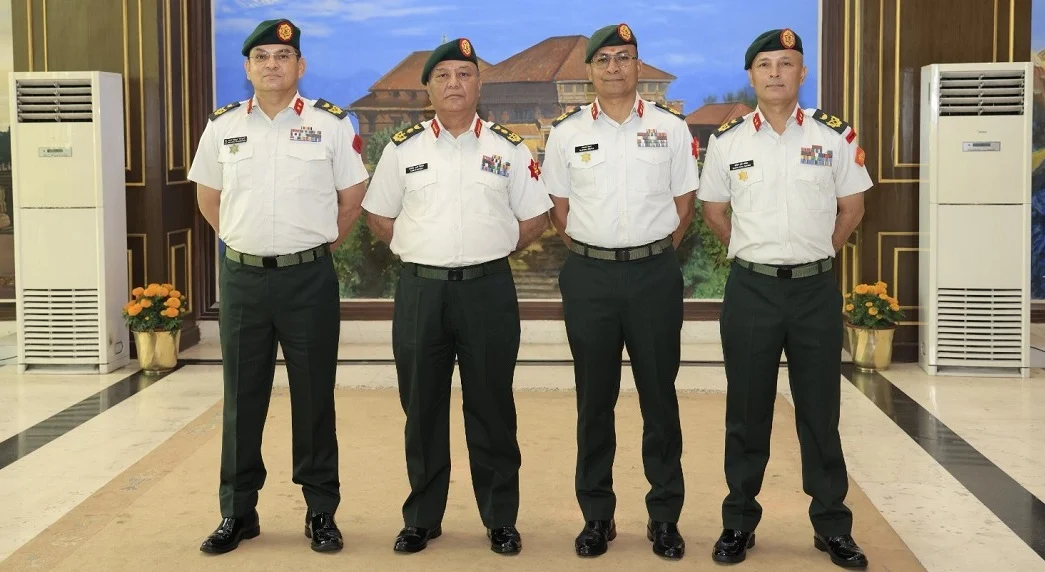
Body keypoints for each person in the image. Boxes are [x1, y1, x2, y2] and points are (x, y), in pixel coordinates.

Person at [361, 38, 552, 556]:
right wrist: (418, 248)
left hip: (488, 291)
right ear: (428, 88)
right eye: (442, 75)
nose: (453, 84)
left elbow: (536, 216)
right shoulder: (403, 149)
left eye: (464, 74)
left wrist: (493, 247)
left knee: (492, 407)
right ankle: (422, 518)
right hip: (421, 292)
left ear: (479, 84)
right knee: (421, 407)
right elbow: (378, 214)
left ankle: (500, 518)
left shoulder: (508, 148)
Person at [187, 18, 368, 554]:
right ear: (248, 68)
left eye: (283, 56)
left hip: (308, 279)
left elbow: (352, 196)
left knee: (314, 397)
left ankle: (321, 511)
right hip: (243, 279)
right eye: (262, 57)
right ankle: (238, 512)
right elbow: (209, 198)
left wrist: (315, 246)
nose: (272, 64)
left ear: (300, 66)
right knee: (242, 398)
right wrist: (244, 241)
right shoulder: (222, 126)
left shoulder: (330, 124)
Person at [697, 28, 870, 568]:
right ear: (751, 76)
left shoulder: (833, 136)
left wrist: (817, 253)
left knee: (820, 411)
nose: (775, 73)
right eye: (765, 65)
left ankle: (832, 525)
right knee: (747, 411)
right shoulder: (728, 141)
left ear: (802, 73)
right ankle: (738, 522)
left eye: (786, 63)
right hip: (752, 290)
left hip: (815, 291)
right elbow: (714, 212)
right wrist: (756, 254)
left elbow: (853, 208)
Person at [542, 23, 698, 560]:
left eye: (624, 57)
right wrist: (598, 252)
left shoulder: (670, 129)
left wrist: (649, 251)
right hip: (590, 277)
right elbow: (559, 210)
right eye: (604, 59)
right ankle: (596, 515)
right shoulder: (565, 134)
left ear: (638, 66)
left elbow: (684, 205)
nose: (614, 67)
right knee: (594, 399)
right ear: (589, 70)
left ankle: (664, 516)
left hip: (654, 275)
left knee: (660, 397)